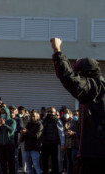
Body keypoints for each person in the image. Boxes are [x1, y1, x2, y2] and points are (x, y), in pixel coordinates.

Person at [50, 37, 105, 174]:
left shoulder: (94, 87)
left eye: (79, 74)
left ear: (85, 74)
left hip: (93, 158)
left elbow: (70, 79)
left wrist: (57, 51)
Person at [0, 106, 16, 174]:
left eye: (4, 113)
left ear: (7, 113)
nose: (2, 114)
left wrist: (4, 124)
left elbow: (12, 130)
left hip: (9, 144)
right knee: (2, 163)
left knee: (10, 163)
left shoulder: (12, 121)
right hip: (1, 145)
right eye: (1, 113)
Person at [19, 110, 43, 174]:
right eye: (31, 116)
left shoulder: (39, 124)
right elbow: (23, 138)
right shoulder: (28, 124)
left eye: (34, 116)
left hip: (35, 148)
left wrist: (27, 132)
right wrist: (22, 134)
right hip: (27, 148)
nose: (32, 117)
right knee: (29, 167)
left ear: (37, 116)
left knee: (36, 166)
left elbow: (37, 136)